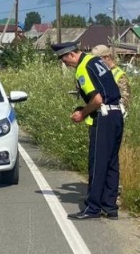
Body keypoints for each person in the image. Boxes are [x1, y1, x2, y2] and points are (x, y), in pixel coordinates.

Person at [52, 42, 124, 220]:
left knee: (98, 163)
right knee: (111, 163)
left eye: (64, 59)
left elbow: (97, 99)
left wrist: (82, 114)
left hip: (104, 116)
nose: (65, 64)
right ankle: (110, 206)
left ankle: (92, 208)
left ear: (70, 54)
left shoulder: (82, 68)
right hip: (117, 115)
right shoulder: (95, 61)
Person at [91, 44, 130, 116]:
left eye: (98, 59)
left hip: (111, 116)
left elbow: (125, 98)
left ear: (107, 57)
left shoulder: (119, 74)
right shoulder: (99, 73)